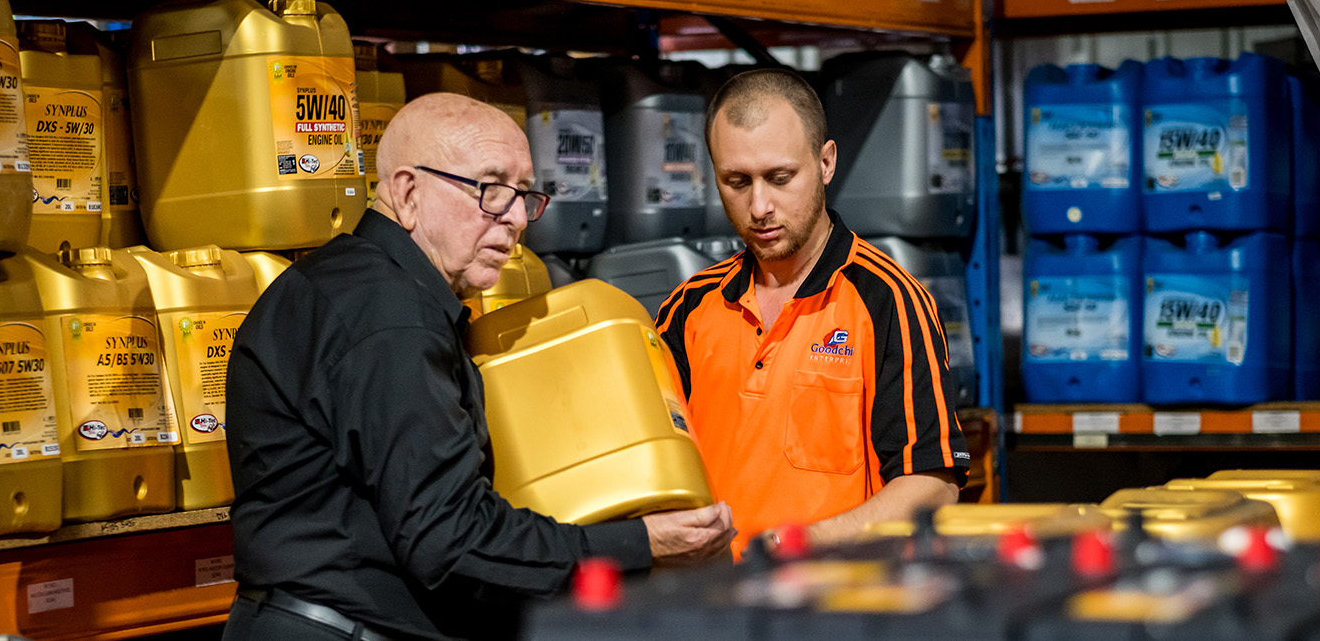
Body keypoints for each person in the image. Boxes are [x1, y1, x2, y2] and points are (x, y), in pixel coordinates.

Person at [223, 93, 735, 641]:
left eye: (524, 195)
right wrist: (644, 545)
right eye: (491, 190)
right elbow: (449, 538)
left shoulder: (344, 285)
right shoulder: (391, 320)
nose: (516, 218)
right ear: (408, 192)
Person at [655, 69, 970, 554]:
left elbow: (932, 484)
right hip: (710, 608)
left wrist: (796, 545)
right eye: (736, 181)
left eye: (780, 178)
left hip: (832, 607)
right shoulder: (689, 308)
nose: (759, 206)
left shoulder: (888, 301)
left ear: (825, 162)